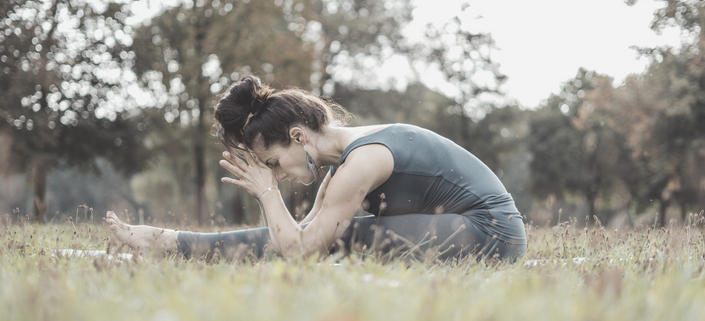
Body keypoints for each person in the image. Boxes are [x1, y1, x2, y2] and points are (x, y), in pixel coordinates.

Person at [106, 76, 527, 262]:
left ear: (298, 137)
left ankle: (171, 246)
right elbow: (291, 239)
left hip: (493, 233)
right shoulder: (337, 171)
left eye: (274, 162)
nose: (279, 174)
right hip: (464, 228)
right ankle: (168, 244)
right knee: (334, 241)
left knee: (348, 241)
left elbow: (303, 254)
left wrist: (267, 193)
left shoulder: (362, 161)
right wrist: (173, 239)